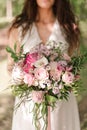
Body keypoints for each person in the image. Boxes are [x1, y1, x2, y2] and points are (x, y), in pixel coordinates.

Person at [7, 0, 81, 130]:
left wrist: (64, 78)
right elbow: (11, 67)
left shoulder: (68, 27)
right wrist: (29, 78)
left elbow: (75, 65)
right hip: (29, 106)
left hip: (62, 104)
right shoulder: (20, 27)